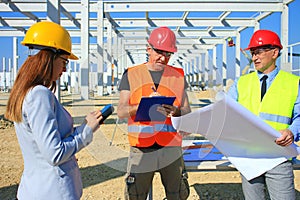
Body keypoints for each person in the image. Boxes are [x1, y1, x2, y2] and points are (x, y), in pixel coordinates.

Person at [5, 21, 103, 200]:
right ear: (48, 57)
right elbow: (55, 154)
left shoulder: (26, 92)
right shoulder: (39, 95)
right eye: (64, 61)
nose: (65, 69)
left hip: (36, 188)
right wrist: (86, 130)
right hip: (52, 192)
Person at [117, 26, 191, 200]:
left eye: (168, 53)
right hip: (142, 148)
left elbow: (187, 110)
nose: (163, 57)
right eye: (159, 51)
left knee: (177, 194)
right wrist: (140, 107)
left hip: (171, 147)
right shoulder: (131, 74)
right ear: (148, 48)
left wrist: (176, 111)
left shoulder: (178, 76)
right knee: (136, 195)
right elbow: (121, 111)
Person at [227, 29, 299, 200]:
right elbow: (225, 112)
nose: (254, 58)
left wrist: (292, 131)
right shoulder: (241, 83)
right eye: (252, 53)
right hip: (249, 156)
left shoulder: (293, 83)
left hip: (279, 156)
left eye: (258, 52)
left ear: (275, 53)